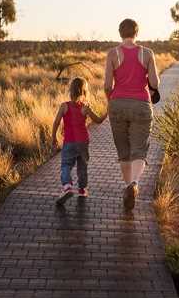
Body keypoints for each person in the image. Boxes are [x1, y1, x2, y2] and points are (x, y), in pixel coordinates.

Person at [104, 18, 159, 211]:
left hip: (118, 104)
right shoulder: (147, 53)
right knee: (139, 150)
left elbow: (107, 85)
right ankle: (134, 183)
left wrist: (111, 101)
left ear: (120, 32)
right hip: (141, 105)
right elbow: (155, 82)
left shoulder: (113, 54)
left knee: (123, 150)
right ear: (136, 33)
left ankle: (127, 186)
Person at [50, 77, 106, 206]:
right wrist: (107, 112)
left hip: (69, 142)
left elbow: (56, 122)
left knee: (66, 165)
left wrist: (53, 137)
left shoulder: (64, 106)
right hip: (83, 142)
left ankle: (67, 186)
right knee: (82, 166)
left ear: (71, 90)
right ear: (84, 92)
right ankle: (82, 189)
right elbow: (98, 121)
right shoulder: (85, 108)